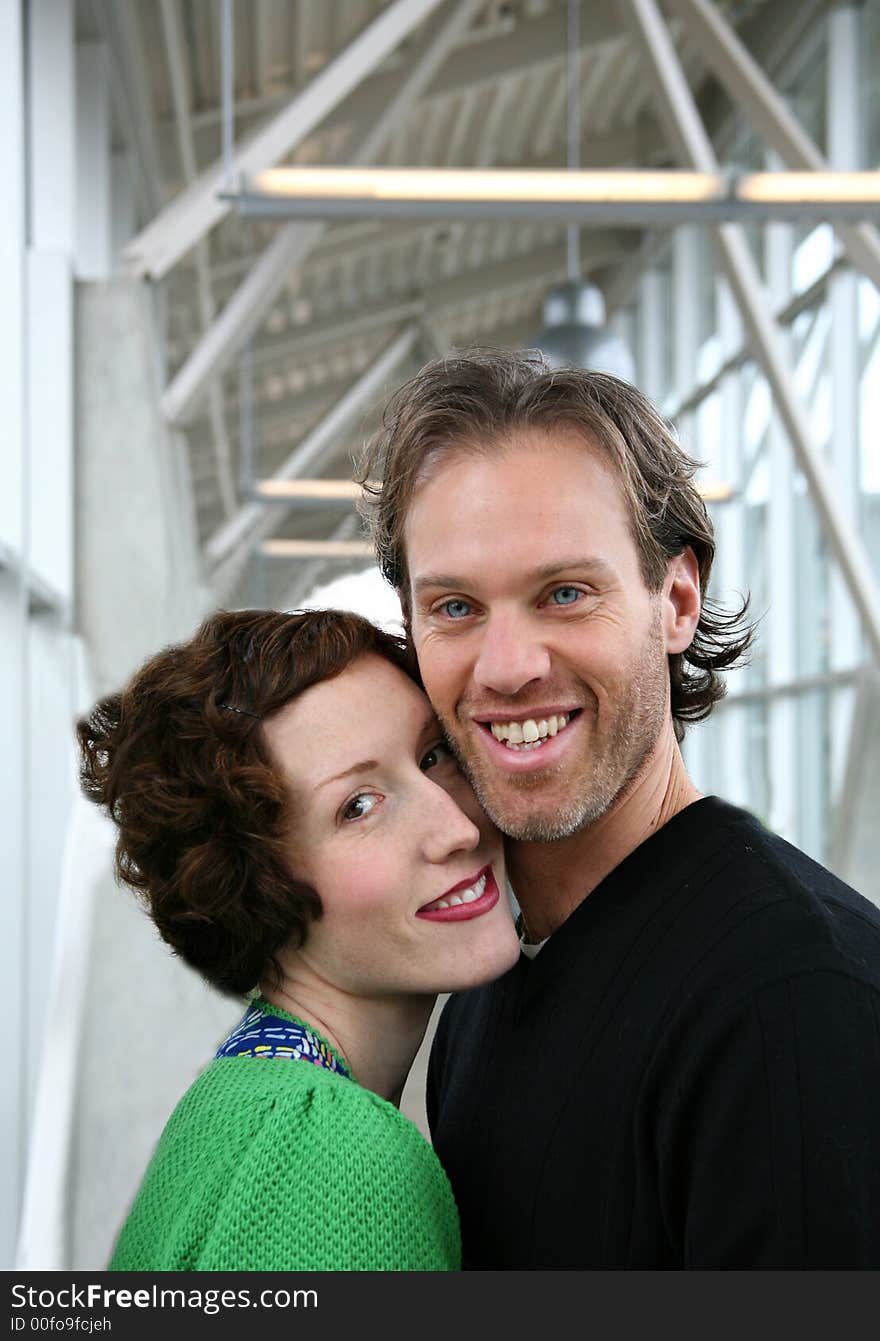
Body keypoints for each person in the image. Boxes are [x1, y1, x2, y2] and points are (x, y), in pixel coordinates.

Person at [358, 347, 880, 1269]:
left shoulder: (792, 1004)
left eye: (564, 593)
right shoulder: (489, 981)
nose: (508, 665)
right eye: (455, 606)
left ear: (676, 600)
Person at [76, 607, 520, 1271]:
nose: (455, 826)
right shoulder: (340, 1158)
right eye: (358, 805)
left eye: (434, 755)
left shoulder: (242, 1104)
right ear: (255, 884)